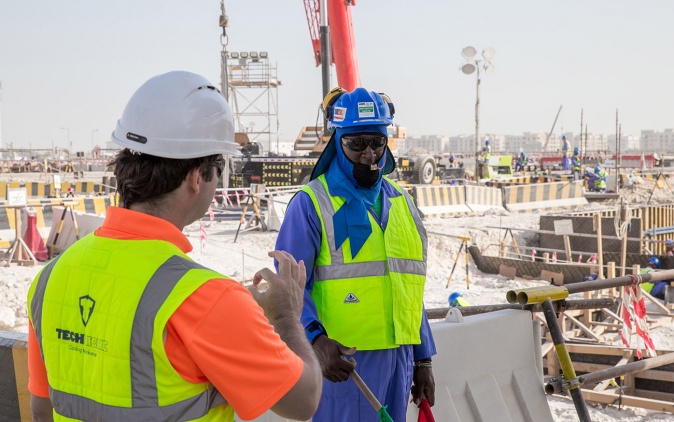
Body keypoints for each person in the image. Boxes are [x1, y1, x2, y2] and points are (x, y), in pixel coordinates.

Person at [26, 71, 322, 422]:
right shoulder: (207, 298)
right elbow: (304, 400)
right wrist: (287, 315)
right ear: (198, 177)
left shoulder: (50, 279)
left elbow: (42, 410)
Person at [274, 87, 436, 421]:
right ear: (338, 142)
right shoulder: (312, 203)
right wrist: (315, 340)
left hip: (400, 361)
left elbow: (407, 286)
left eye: (377, 143)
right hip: (343, 363)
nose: (369, 154)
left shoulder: (401, 202)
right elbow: (287, 287)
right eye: (356, 144)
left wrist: (423, 359)